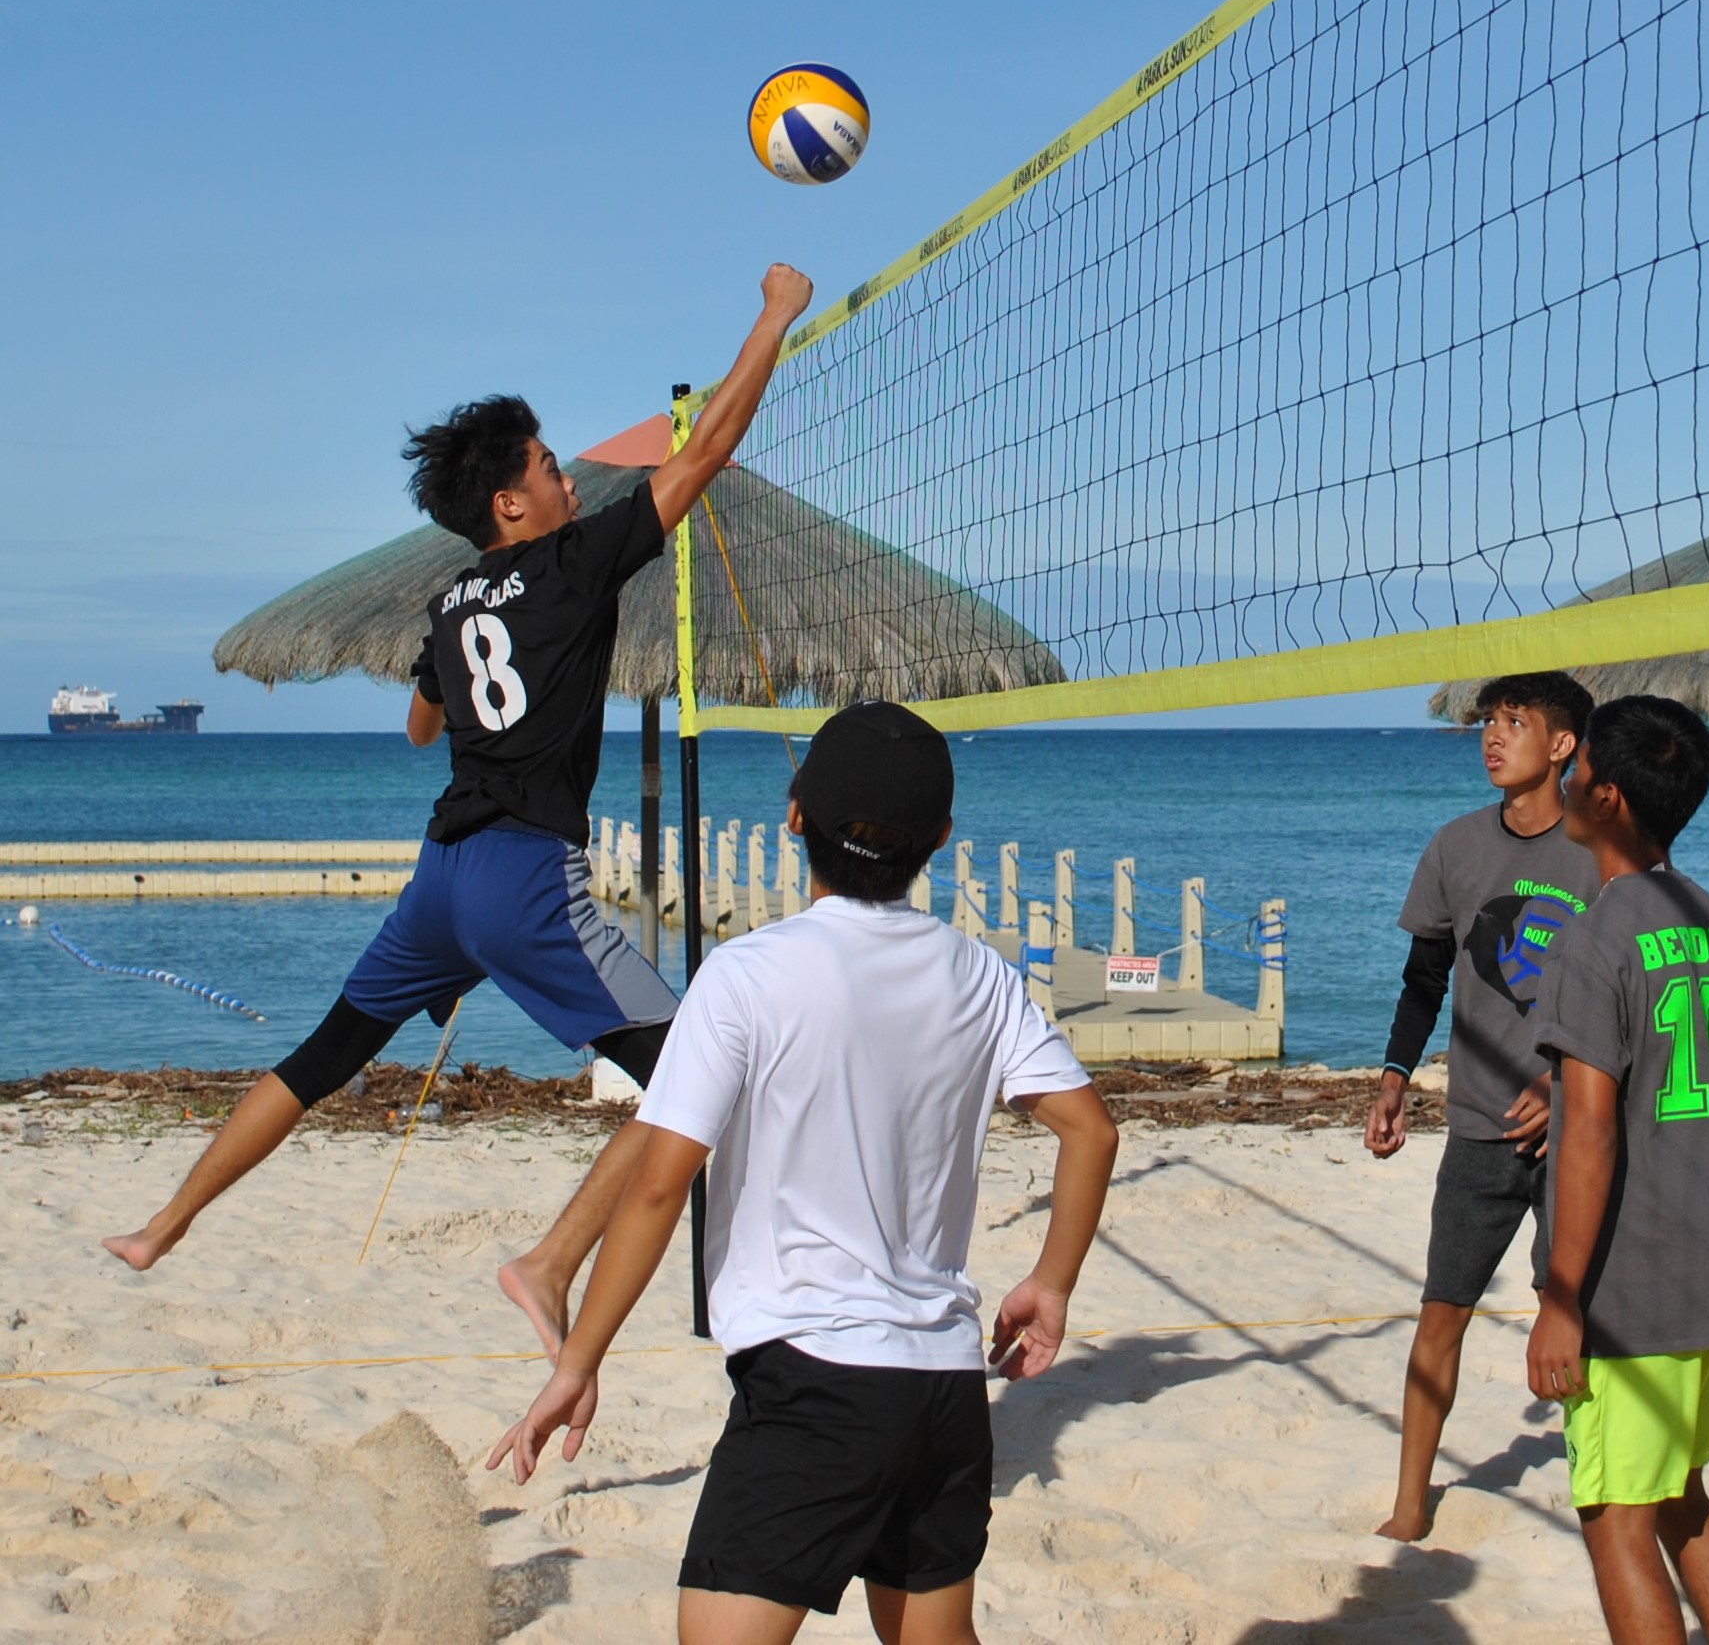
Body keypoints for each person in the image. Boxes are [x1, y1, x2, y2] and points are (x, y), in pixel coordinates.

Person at [102, 261, 815, 1282]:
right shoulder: (572, 564)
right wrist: (774, 314)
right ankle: (549, 1264)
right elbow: (705, 450)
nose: (569, 480)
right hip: (524, 878)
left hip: (442, 874)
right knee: (695, 1081)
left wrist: (465, 686)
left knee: (324, 1057)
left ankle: (162, 1225)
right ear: (510, 504)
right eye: (549, 468)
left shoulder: (448, 603)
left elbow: (417, 730)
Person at [488, 701, 1120, 1645]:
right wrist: (1051, 1282)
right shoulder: (980, 974)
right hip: (942, 1385)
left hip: (815, 1380)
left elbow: (660, 1185)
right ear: (940, 840)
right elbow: (1091, 1132)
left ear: (793, 816)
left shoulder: (744, 975)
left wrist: (580, 1359)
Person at [1529, 695, 1709, 1645]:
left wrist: (1562, 1296)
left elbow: (1585, 1134)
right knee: (1676, 1494)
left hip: (1636, 1293)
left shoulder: (1594, 939)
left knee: (1614, 1516)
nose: (1560, 776)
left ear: (1608, 797)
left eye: (1576, 763)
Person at [1365, 670, 1598, 1541]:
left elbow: (1634, 992)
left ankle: (1603, 1498)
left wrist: (1568, 1080)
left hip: (1579, 1129)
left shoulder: (1601, 853)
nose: (1492, 737)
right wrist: (1394, 1078)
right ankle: (1408, 1504)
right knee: (1440, 1313)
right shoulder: (1454, 846)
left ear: (1563, 744)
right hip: (1476, 1126)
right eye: (1487, 723)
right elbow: (1424, 979)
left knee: (1574, 1320)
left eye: (1514, 722)